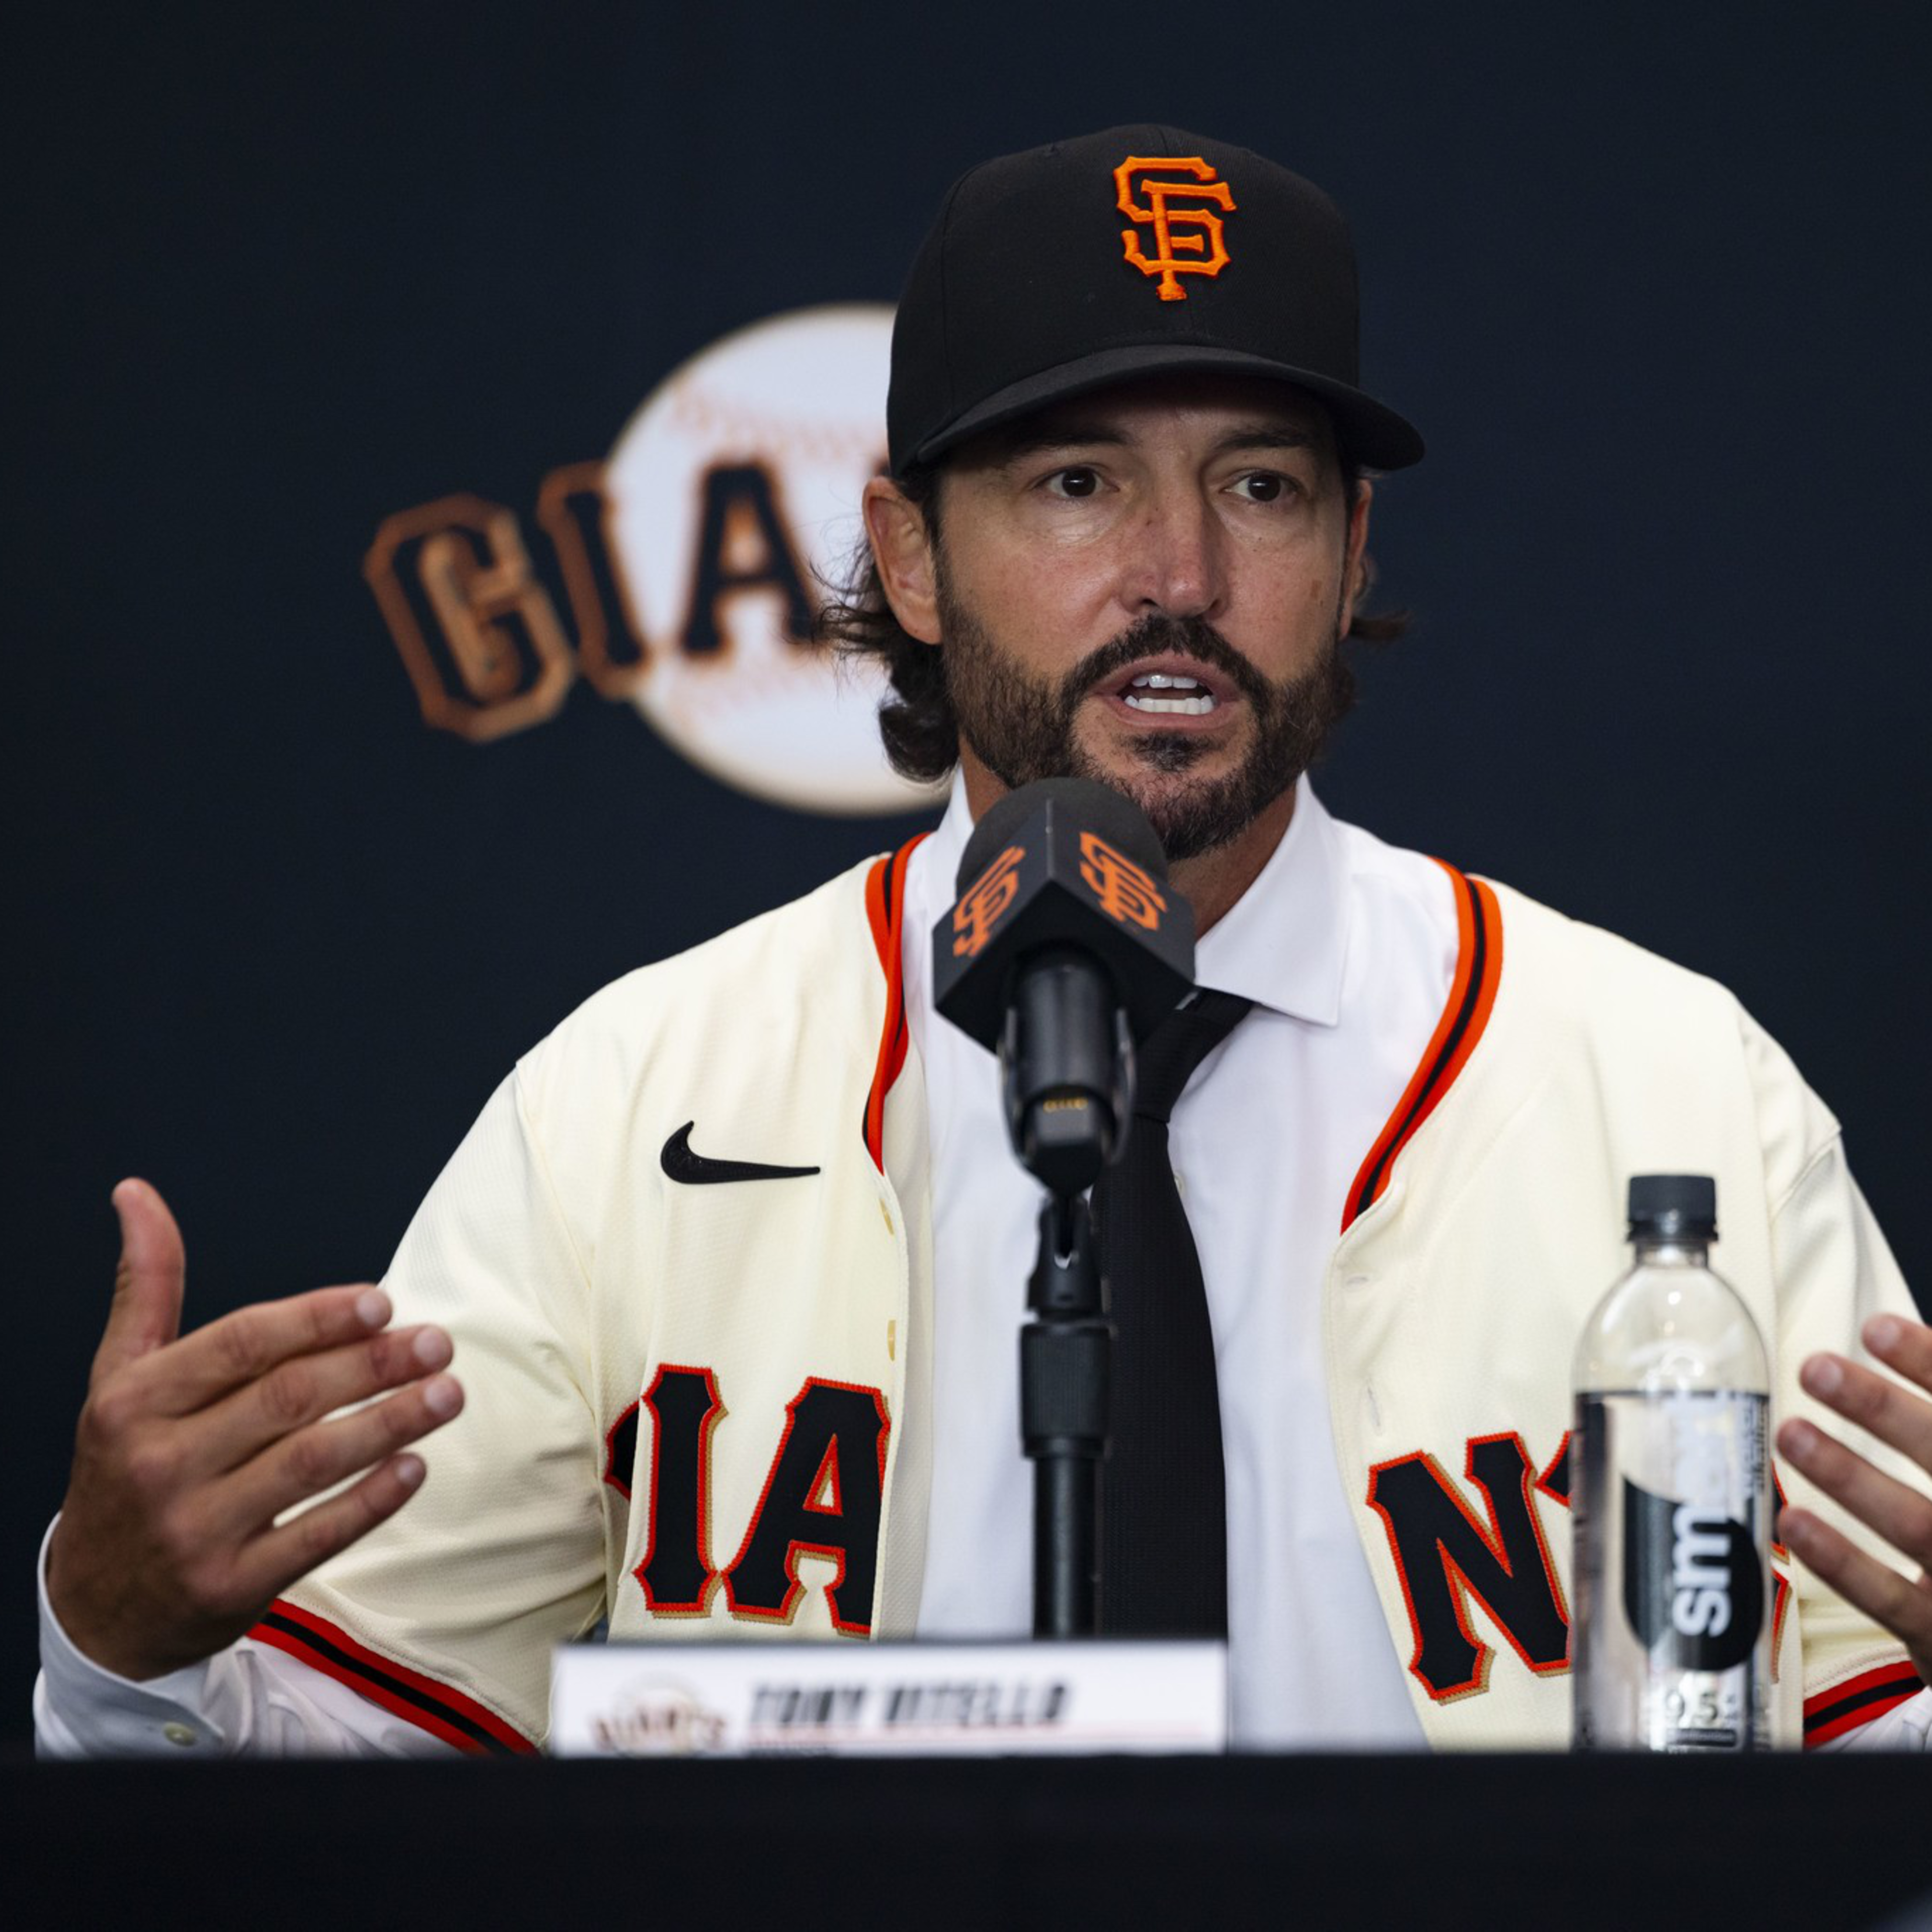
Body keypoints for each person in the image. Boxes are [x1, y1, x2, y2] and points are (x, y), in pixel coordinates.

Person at [36, 125, 1932, 1755]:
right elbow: (343, 1775)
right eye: (1075, 481)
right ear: (913, 556)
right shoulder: (634, 1104)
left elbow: (1878, 1761)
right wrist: (117, 1648)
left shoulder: (1673, 1087)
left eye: (1261, 486)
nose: (1179, 576)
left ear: (1353, 559)